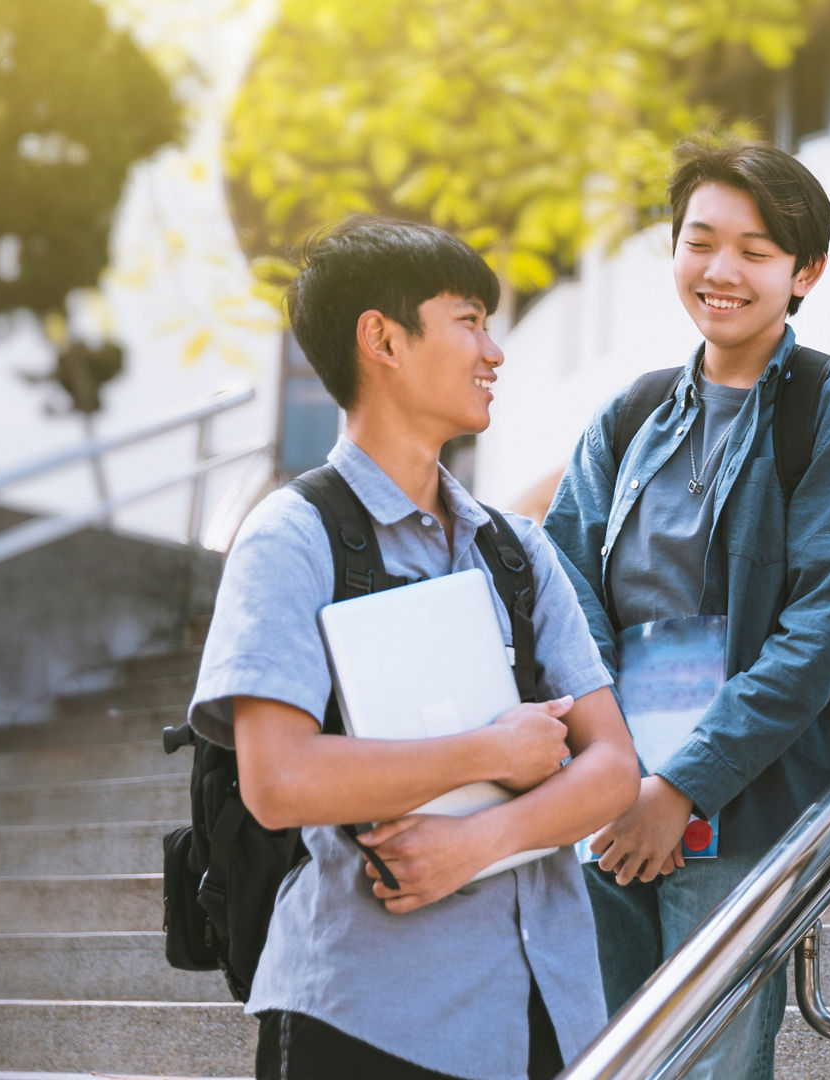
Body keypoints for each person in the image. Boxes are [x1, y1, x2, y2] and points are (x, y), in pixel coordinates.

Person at [188, 216, 641, 1080]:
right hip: (366, 1015)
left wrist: (480, 841)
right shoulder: (292, 535)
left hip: (549, 1012)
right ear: (382, 339)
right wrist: (490, 749)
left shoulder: (517, 546)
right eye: (469, 320)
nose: (494, 351)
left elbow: (614, 768)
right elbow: (277, 780)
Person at [543, 137, 830, 1080]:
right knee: (603, 1055)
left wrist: (684, 785)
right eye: (700, 242)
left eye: (755, 250)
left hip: (748, 798)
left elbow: (824, 632)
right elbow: (562, 578)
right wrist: (615, 760)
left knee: (714, 1060)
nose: (722, 272)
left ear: (805, 271)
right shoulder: (632, 413)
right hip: (610, 785)